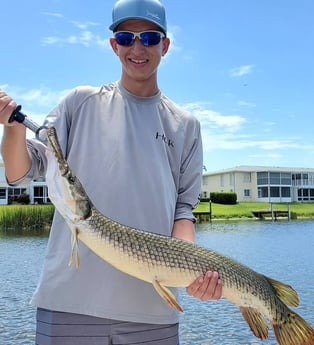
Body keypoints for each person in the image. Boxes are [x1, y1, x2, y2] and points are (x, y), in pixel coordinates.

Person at [0, 0, 222, 344]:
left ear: (164, 45)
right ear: (113, 45)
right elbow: (21, 172)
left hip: (154, 313)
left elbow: (183, 211)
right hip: (69, 305)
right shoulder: (80, 102)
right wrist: (12, 127)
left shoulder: (186, 125)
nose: (137, 47)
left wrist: (192, 270)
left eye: (149, 38)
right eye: (125, 37)